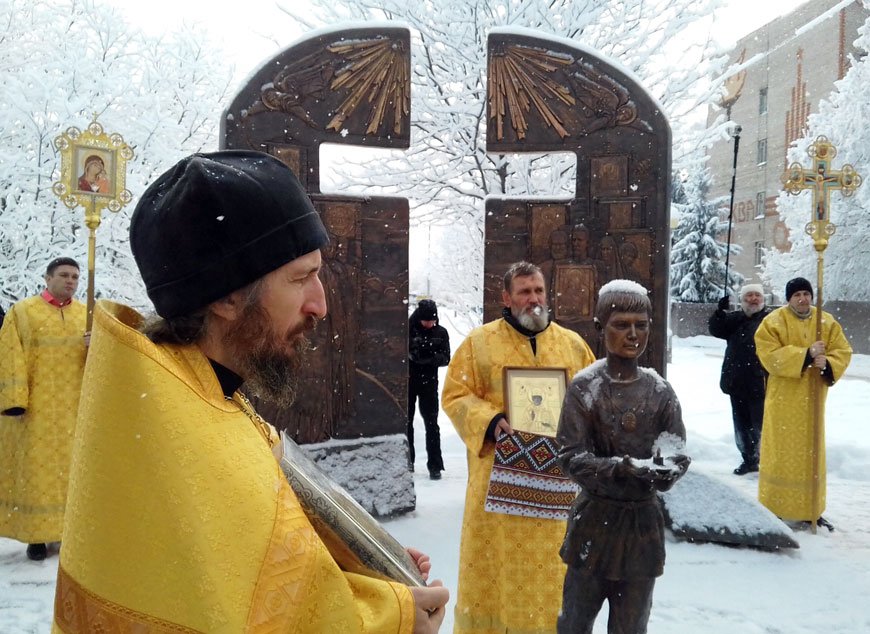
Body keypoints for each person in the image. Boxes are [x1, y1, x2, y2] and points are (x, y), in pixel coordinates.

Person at [52, 151, 448, 634]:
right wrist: (397, 615)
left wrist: (356, 558)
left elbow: (250, 565)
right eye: (301, 278)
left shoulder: (193, 389)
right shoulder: (180, 436)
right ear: (225, 295)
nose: (320, 304)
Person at [442, 261, 595, 634]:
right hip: (498, 484)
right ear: (507, 298)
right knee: (497, 569)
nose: (534, 299)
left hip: (556, 487)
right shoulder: (479, 343)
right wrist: (489, 420)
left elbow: (594, 396)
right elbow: (455, 395)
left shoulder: (572, 345)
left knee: (553, 570)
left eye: (539, 290)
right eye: (525, 292)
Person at [556, 280, 690, 634]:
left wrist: (668, 470)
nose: (633, 334)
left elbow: (675, 449)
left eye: (641, 325)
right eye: (622, 325)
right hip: (595, 522)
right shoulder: (585, 389)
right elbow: (570, 456)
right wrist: (618, 469)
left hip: (641, 528)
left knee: (631, 626)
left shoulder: (660, 391)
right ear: (601, 329)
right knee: (574, 621)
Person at [0, 257, 88, 562]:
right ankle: (36, 537)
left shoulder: (86, 317)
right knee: (36, 472)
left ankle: (67, 532)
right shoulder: (22, 312)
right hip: (34, 407)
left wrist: (96, 345)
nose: (71, 281)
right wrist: (14, 399)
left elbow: (99, 365)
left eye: (75, 277)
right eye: (64, 275)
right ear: (48, 278)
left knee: (71, 471)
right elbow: (10, 355)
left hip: (74, 407)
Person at [754, 276, 852, 531]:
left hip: (812, 401)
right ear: (789, 298)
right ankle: (775, 508)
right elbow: (768, 355)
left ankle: (811, 510)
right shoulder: (773, 322)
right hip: (784, 400)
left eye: (806, 294)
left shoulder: (826, 322)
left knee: (812, 454)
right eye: (797, 295)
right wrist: (805, 355)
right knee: (780, 453)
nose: (802, 299)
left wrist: (828, 363)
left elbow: (843, 350)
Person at [708, 284, 772, 475]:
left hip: (759, 382)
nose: (753, 299)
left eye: (757, 295)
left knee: (760, 425)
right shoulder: (734, 319)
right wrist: (719, 312)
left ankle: (766, 461)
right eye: (749, 295)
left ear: (763, 299)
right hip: (736, 381)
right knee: (742, 426)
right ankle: (749, 460)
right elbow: (717, 329)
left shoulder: (769, 321)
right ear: (742, 300)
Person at [408, 298, 451, 479]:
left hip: (430, 383)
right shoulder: (408, 330)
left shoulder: (441, 332)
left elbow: (446, 357)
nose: (430, 324)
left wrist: (430, 358)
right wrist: (416, 355)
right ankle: (408, 462)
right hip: (409, 381)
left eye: (432, 320)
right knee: (407, 423)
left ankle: (435, 465)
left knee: (432, 424)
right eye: (427, 321)